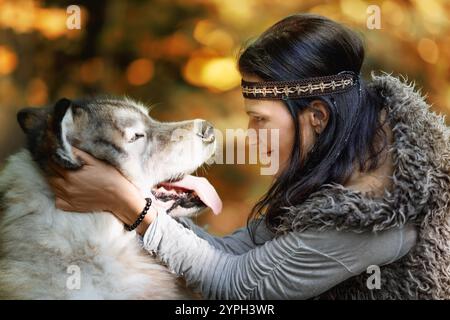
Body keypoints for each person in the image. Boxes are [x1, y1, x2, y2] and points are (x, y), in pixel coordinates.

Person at [48, 14, 450, 299]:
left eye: (259, 120)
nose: (250, 134)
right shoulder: (344, 152)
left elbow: (241, 288)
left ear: (317, 117)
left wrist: (129, 204)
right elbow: (241, 254)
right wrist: (144, 201)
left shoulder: (376, 212)